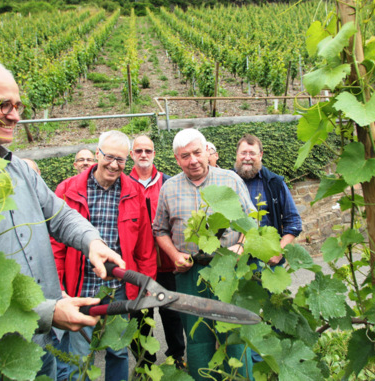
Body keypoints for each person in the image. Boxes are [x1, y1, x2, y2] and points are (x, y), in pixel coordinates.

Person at [0, 56, 125, 379]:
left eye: (19, 106)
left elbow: (61, 216)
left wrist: (92, 241)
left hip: (42, 346)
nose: (15, 115)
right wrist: (47, 312)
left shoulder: (20, 169)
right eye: (4, 105)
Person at [51, 130, 157, 381]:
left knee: (118, 350)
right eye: (109, 156)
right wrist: (57, 287)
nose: (113, 164)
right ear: (97, 154)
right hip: (80, 286)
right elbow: (55, 246)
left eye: (120, 160)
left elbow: (144, 247)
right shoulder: (68, 189)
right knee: (79, 352)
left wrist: (146, 283)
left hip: (118, 288)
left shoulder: (133, 192)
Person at [153, 128, 255, 381]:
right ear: (177, 159)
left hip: (226, 268)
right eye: (185, 156)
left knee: (234, 332)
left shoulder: (229, 180)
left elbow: (251, 220)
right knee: (197, 339)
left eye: (197, 152)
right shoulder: (169, 188)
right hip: (189, 273)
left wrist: (240, 247)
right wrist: (174, 254)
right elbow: (160, 229)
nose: (193, 160)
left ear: (207, 151)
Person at [128, 135, 186, 369]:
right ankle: (145, 364)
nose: (143, 154)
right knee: (140, 317)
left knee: (172, 315)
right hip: (138, 266)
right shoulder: (124, 183)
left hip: (167, 264)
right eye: (139, 150)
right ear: (131, 154)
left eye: (148, 151)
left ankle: (177, 357)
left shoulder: (169, 182)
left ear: (154, 154)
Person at [234, 134, 302, 266]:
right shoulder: (227, 181)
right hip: (234, 260)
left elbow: (294, 222)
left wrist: (279, 250)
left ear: (261, 155)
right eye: (243, 153)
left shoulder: (274, 183)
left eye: (252, 153)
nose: (247, 158)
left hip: (265, 261)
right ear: (237, 154)